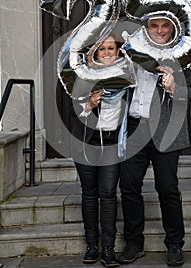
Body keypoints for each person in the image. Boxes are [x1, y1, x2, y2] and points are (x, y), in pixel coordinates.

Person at [118, 17, 191, 266]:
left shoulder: (185, 55)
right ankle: (134, 243)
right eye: (154, 26)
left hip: (167, 130)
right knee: (129, 187)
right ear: (147, 28)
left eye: (164, 26)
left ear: (172, 28)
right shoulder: (131, 51)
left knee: (167, 189)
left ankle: (175, 244)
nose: (159, 31)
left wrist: (176, 88)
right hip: (135, 128)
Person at [70, 34, 127, 267]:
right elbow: (74, 112)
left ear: (117, 51)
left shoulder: (127, 77)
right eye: (101, 48)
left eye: (111, 48)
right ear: (95, 52)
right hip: (86, 142)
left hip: (112, 143)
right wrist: (90, 106)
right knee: (89, 194)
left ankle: (108, 249)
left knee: (108, 194)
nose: (106, 52)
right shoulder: (85, 76)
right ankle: (91, 246)